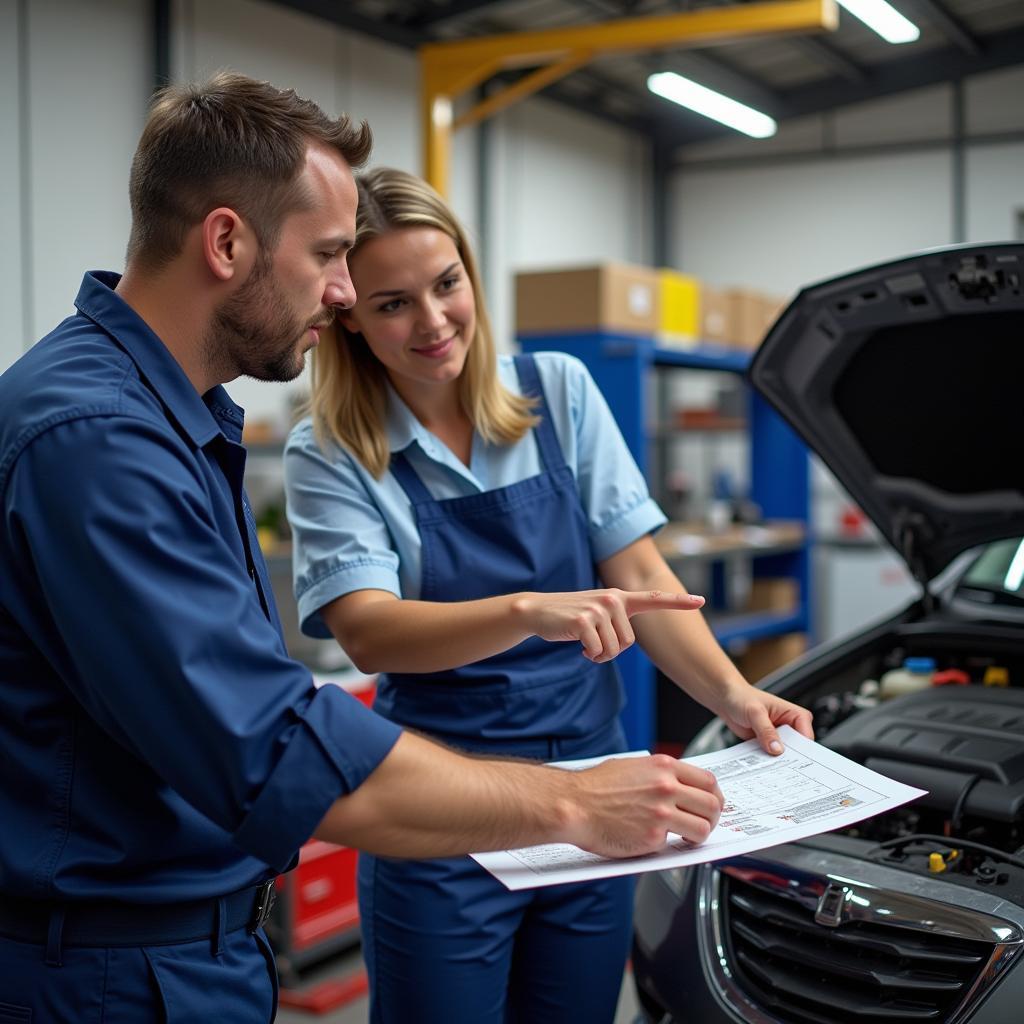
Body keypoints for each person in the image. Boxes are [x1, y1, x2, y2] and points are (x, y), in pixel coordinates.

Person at [0, 73, 735, 1024]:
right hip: (113, 970)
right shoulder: (99, 438)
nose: (345, 293)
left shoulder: (168, 418)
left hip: (184, 943)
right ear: (226, 241)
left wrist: (718, 707)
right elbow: (270, 742)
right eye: (333, 258)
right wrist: (571, 804)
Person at [283, 166, 815, 1024]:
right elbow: (371, 634)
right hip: (446, 800)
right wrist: (530, 609)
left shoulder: (558, 392)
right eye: (392, 303)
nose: (433, 322)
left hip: (599, 787)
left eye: (446, 284)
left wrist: (738, 695)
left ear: (471, 275)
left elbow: (642, 580)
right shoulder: (332, 448)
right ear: (348, 314)